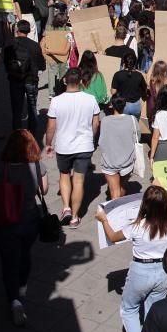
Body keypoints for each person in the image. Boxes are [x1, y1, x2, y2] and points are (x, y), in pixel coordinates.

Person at [95, 185, 167, 332]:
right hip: (163, 273)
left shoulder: (137, 226)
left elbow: (113, 236)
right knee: (152, 310)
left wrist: (103, 220)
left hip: (140, 271)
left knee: (129, 308)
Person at [0, 130, 48, 326]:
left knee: (8, 261)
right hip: (29, 220)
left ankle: (14, 300)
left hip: (5, 222)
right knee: (24, 254)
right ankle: (22, 287)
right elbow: (44, 189)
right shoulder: (36, 165)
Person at [45, 68, 100, 229]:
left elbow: (51, 126)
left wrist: (48, 144)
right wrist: (91, 136)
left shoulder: (56, 101)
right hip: (84, 145)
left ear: (65, 81)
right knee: (79, 181)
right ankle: (75, 217)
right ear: (81, 82)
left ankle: (66, 207)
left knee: (64, 176)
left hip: (64, 146)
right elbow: (95, 123)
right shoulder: (90, 99)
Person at [5, 20, 45, 136]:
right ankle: (31, 135)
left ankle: (17, 135)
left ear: (17, 30)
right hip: (31, 80)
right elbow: (42, 65)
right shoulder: (35, 46)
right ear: (29, 31)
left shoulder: (10, 45)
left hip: (15, 79)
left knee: (16, 109)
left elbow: (6, 63)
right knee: (32, 109)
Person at [98, 94, 140, 199]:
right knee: (122, 186)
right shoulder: (132, 119)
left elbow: (101, 141)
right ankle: (120, 207)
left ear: (111, 105)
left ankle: (115, 212)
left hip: (110, 161)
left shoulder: (105, 121)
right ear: (125, 105)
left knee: (114, 192)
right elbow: (137, 137)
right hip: (127, 161)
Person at [111, 51, 148, 118]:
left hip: (122, 105)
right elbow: (144, 90)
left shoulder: (118, 75)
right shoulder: (139, 75)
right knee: (134, 126)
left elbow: (113, 92)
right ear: (135, 63)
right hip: (135, 106)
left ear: (124, 63)